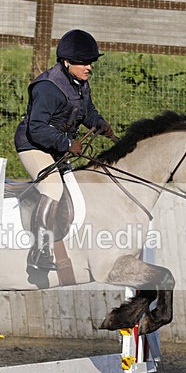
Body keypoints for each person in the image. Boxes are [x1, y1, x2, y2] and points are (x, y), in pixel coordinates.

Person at [13, 29, 114, 270]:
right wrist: (67, 143)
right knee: (52, 186)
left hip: (56, 146)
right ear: (66, 62)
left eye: (90, 62)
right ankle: (39, 251)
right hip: (32, 144)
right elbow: (37, 128)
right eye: (83, 62)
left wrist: (99, 123)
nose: (89, 67)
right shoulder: (48, 88)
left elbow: (86, 111)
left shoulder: (80, 83)